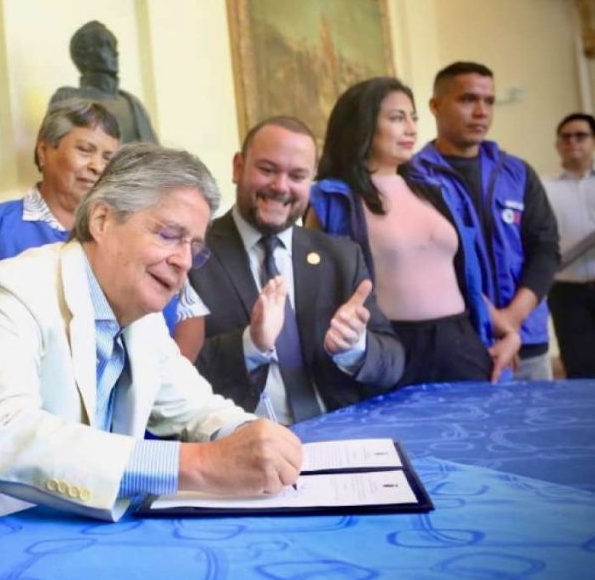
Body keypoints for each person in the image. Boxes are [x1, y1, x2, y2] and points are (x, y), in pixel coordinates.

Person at [0, 144, 302, 544]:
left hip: (52, 538)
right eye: (168, 235)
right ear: (103, 220)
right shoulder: (4, 291)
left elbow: (198, 408)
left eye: (194, 246)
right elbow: (0, 434)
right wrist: (198, 463)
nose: (183, 260)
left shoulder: (140, 319)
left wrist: (252, 437)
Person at [0, 98, 209, 356]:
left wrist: (160, 385)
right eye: (85, 150)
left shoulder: (135, 230)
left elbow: (188, 313)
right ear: (44, 151)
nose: (97, 166)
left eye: (108, 157)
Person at [189, 117, 404, 425]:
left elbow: (393, 362)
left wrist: (355, 347)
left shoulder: (340, 256)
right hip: (243, 440)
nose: (280, 187)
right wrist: (251, 344)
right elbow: (170, 369)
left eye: (297, 175)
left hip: (338, 431)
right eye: (267, 170)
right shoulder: (192, 252)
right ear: (238, 167)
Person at [308, 77, 516, 385]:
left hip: (461, 342)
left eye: (413, 118)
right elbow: (318, 295)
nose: (411, 128)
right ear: (362, 125)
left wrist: (508, 331)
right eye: (396, 118)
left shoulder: (436, 191)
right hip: (391, 348)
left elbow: (461, 279)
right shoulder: (333, 199)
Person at [411, 62, 560, 380]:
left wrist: (511, 319)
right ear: (435, 106)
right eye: (467, 100)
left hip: (528, 342)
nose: (481, 112)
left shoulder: (517, 172)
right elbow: (426, 264)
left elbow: (546, 250)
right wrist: (496, 322)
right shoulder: (412, 177)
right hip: (460, 344)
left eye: (489, 101)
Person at [543, 112, 595, 378]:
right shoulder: (543, 188)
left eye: (581, 135)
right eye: (565, 137)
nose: (572, 141)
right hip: (566, 292)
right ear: (557, 144)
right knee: (581, 368)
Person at [50, 20, 159, 144]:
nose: (115, 53)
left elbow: (156, 157)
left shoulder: (132, 103)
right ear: (84, 56)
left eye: (114, 46)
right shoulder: (68, 100)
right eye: (106, 45)